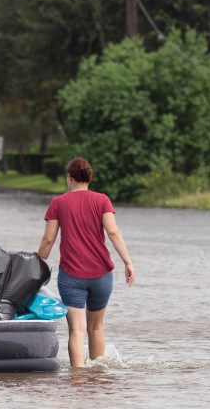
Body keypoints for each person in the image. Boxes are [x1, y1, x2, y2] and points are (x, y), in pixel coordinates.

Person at [37, 157, 136, 368]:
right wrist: (128, 262)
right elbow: (113, 232)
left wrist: (36, 261)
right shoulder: (102, 200)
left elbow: (48, 240)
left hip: (71, 276)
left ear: (69, 178)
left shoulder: (58, 203)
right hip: (101, 275)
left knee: (77, 330)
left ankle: (78, 377)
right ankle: (97, 375)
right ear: (89, 178)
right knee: (96, 328)